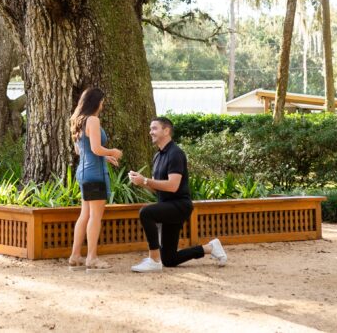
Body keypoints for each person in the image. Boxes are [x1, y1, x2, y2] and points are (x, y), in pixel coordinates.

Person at [128, 117, 227, 272]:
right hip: (167, 206)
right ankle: (209, 248)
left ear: (166, 131)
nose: (150, 132)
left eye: (154, 128)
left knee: (146, 213)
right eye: (150, 129)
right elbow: (157, 188)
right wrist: (141, 182)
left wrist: (145, 180)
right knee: (169, 259)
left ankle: (154, 260)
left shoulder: (175, 153)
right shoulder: (158, 155)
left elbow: (173, 186)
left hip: (180, 206)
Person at [68, 87, 123, 271]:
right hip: (95, 174)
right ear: (96, 102)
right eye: (102, 101)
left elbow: (80, 150)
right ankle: (91, 258)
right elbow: (96, 149)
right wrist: (112, 152)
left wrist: (104, 157)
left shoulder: (77, 121)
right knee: (95, 216)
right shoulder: (92, 120)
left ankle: (75, 255)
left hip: (83, 172)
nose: (103, 104)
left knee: (84, 214)